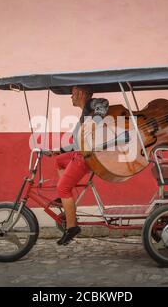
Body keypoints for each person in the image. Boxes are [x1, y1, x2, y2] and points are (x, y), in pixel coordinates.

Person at [49, 85, 109, 245]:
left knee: (62, 188)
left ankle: (72, 227)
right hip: (80, 152)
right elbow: (78, 143)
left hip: (85, 157)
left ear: (81, 94)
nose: (71, 97)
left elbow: (104, 103)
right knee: (59, 160)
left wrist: (94, 123)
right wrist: (59, 150)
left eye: (73, 93)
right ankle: (66, 199)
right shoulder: (84, 114)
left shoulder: (91, 105)